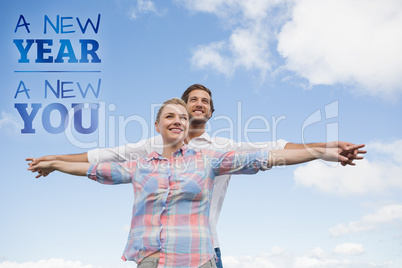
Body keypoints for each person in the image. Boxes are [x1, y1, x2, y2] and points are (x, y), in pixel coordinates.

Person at [27, 84, 366, 268]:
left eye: (203, 102)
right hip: (154, 255)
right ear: (164, 120)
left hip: (204, 250)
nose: (195, 107)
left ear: (205, 113)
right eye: (189, 103)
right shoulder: (147, 155)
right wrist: (54, 160)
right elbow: (99, 161)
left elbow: (271, 152)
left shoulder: (216, 152)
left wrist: (323, 149)